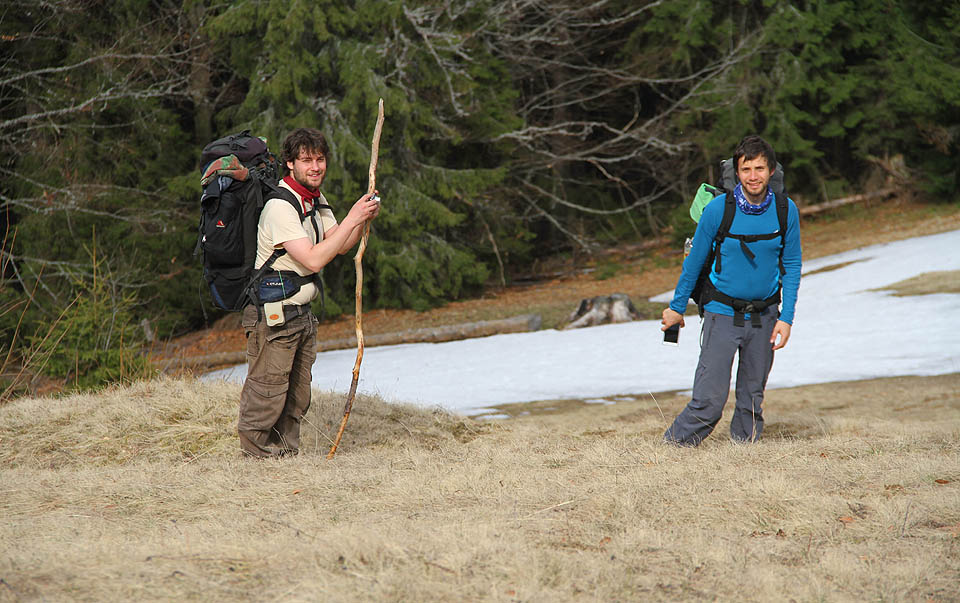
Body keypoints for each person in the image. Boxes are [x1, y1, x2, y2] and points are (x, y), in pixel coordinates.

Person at [238, 127, 381, 458]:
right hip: (273, 317)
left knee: (297, 397)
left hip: (301, 316)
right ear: (290, 164)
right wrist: (353, 217)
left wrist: (362, 216)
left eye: (320, 159)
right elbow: (314, 259)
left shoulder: (315, 200)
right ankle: (257, 464)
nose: (315, 167)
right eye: (306, 160)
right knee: (267, 395)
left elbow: (341, 246)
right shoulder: (281, 207)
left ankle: (287, 460)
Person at [661, 135, 802, 446]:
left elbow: (791, 265)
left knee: (752, 400)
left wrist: (786, 318)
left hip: (765, 316)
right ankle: (671, 450)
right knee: (708, 401)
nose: (753, 176)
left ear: (772, 171)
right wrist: (676, 307)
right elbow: (694, 263)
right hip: (721, 314)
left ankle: (744, 456)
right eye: (746, 169)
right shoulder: (717, 211)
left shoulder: (785, 210)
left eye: (760, 168)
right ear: (737, 173)